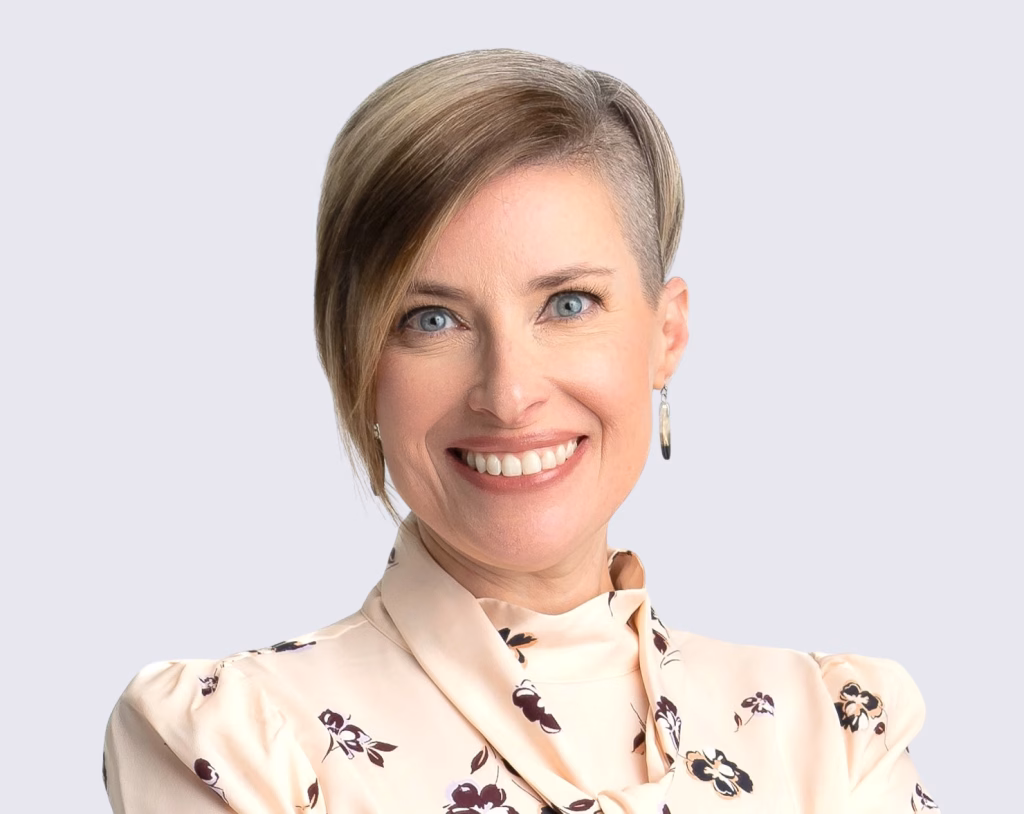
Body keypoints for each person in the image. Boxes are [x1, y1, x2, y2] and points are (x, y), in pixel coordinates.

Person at [102, 49, 939, 813]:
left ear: (666, 335)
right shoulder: (237, 742)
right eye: (430, 319)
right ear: (354, 363)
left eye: (568, 304)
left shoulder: (832, 731)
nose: (507, 394)